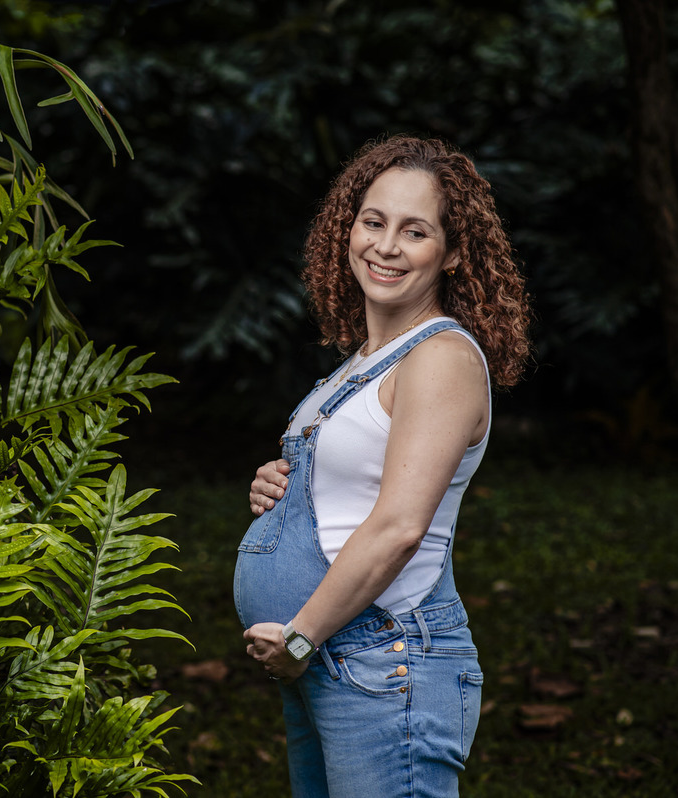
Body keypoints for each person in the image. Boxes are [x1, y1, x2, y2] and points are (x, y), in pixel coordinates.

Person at [232, 135, 530, 797]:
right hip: (333, 659)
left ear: (453, 253)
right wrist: (279, 488)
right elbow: (354, 489)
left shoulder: (441, 358)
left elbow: (399, 525)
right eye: (373, 222)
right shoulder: (361, 364)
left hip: (382, 659)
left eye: (415, 231)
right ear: (348, 227)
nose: (386, 246)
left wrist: (303, 637)